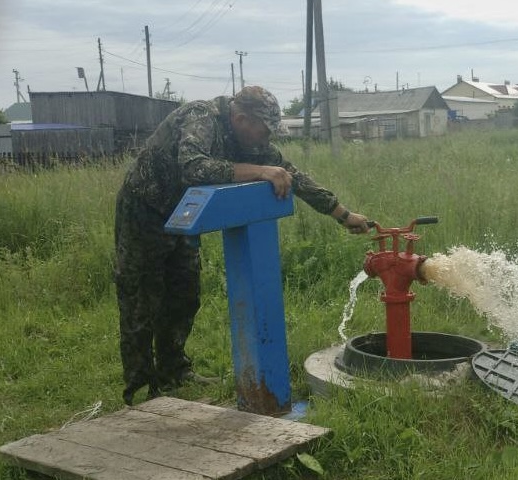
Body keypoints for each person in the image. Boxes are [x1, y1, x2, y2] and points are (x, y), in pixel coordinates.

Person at [114, 85, 370, 405]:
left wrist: (342, 214)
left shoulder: (252, 140)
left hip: (184, 214)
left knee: (183, 294)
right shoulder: (201, 116)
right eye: (263, 131)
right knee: (141, 298)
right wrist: (260, 171)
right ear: (240, 118)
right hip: (145, 209)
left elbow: (289, 175)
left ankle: (172, 372)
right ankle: (139, 387)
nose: (267, 140)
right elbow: (194, 167)